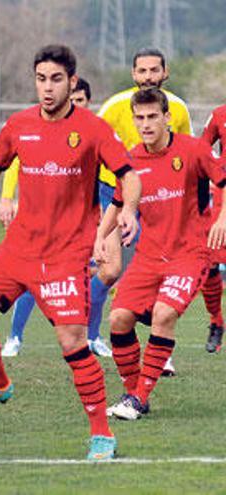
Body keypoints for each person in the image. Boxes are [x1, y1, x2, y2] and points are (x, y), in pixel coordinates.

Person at [0, 45, 141, 461]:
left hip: (65, 255)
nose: (47, 87)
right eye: (41, 79)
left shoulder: (93, 129)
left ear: (73, 82)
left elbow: (128, 174)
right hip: (18, 248)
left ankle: (102, 435)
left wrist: (127, 210)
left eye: (56, 79)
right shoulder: (18, 125)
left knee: (72, 343)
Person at [102, 88, 226, 420]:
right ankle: (132, 394)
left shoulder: (192, 149)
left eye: (152, 116)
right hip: (148, 257)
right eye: (139, 118)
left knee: (163, 314)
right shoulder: (130, 161)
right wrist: (101, 237)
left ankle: (140, 397)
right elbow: (116, 205)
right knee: (118, 319)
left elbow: (224, 178)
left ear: (166, 117)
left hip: (190, 254)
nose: (146, 124)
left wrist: (223, 218)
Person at [95, 47, 193, 375]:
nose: (148, 76)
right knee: (110, 272)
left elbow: (186, 155)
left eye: (154, 70)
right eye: (142, 70)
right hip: (115, 193)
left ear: (165, 73)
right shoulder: (113, 107)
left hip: (159, 197)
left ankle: (159, 349)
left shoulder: (177, 108)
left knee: (156, 270)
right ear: (133, 74)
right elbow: (92, 148)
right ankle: (90, 330)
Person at [0, 78, 111, 357]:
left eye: (81, 99)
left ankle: (92, 337)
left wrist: (116, 209)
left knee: (97, 275)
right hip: (41, 220)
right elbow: (14, 161)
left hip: (83, 221)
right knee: (32, 275)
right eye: (73, 97)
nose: (75, 103)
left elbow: (113, 172)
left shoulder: (93, 132)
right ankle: (14, 337)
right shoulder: (42, 129)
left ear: (88, 103)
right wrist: (7, 197)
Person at [199, 105, 226, 353]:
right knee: (209, 266)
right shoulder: (219, 115)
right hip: (221, 201)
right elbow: (202, 148)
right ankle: (216, 321)